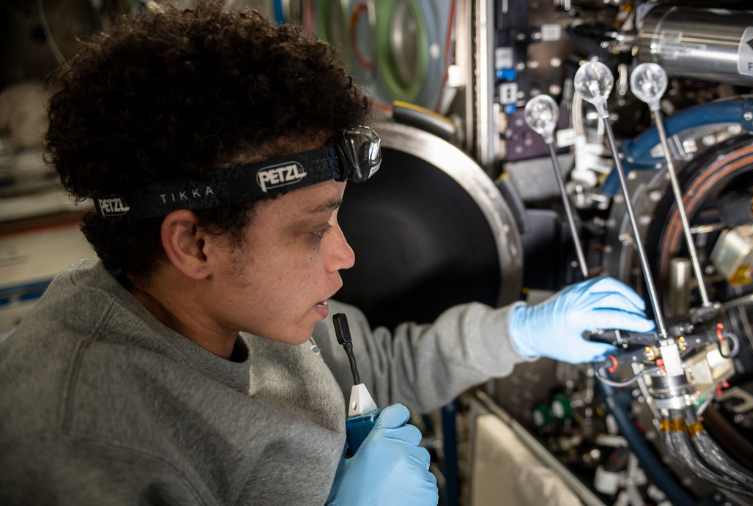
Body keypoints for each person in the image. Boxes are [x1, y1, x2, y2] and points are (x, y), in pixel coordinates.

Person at [0, 2, 654, 505]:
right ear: (194, 243)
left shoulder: (248, 306)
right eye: (313, 229)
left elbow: (380, 368)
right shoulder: (73, 440)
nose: (345, 258)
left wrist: (524, 330)